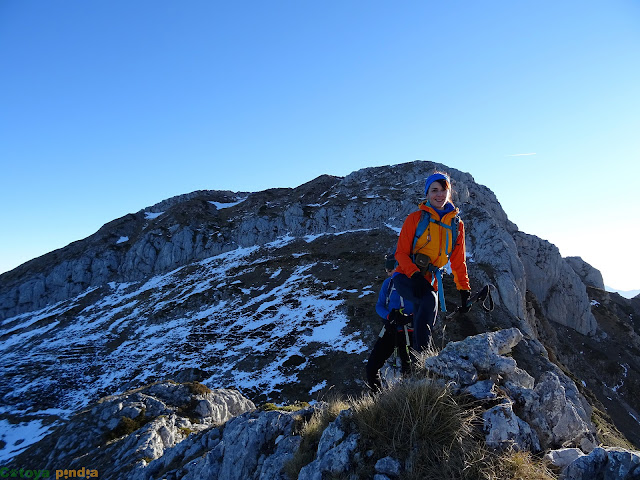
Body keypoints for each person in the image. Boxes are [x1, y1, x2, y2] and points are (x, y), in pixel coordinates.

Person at [392, 171, 471, 352]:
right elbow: (401, 253)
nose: (439, 195)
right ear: (427, 193)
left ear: (449, 193)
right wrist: (415, 275)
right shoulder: (415, 219)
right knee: (428, 301)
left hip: (429, 281)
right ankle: (423, 357)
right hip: (405, 276)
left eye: (444, 190)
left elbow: (458, 261)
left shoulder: (457, 225)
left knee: (426, 311)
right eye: (434, 190)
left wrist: (464, 291)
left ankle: (416, 366)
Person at [365, 253, 414, 393]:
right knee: (371, 367)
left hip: (411, 331)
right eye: (387, 272)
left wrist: (409, 318)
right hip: (392, 330)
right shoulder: (388, 284)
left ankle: (411, 400)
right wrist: (389, 316)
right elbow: (379, 305)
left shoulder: (414, 282)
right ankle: (378, 399)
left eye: (390, 271)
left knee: (410, 369)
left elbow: (425, 307)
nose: (389, 274)